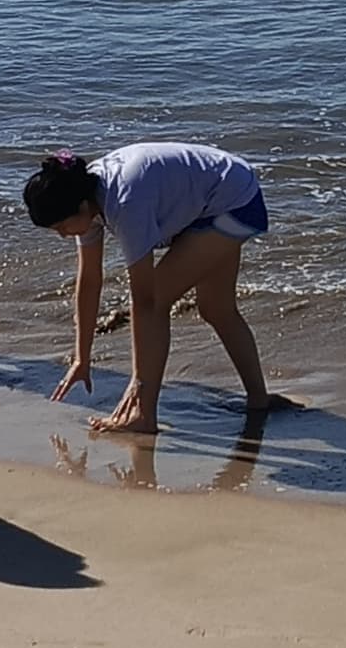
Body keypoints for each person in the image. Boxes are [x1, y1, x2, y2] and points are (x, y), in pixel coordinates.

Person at [24, 143, 276, 436]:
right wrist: (82, 357)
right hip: (213, 194)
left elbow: (146, 300)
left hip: (233, 201)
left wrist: (138, 382)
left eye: (62, 228)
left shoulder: (126, 203)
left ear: (80, 207)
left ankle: (143, 415)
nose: (63, 236)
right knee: (216, 308)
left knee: (156, 300)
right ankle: (259, 401)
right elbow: (90, 281)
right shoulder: (84, 197)